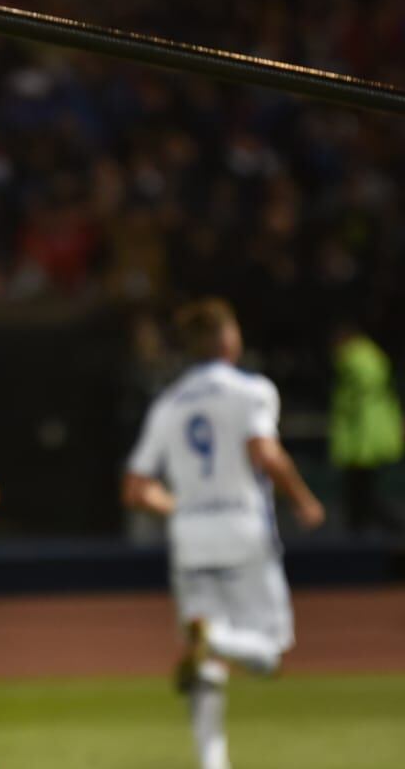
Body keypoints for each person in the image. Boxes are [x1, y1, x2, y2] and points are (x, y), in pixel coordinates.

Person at [121, 298, 325, 769]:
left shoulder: (168, 402)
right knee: (270, 653)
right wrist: (303, 499)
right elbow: (265, 453)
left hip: (190, 537)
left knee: (207, 673)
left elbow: (135, 489)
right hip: (242, 530)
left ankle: (213, 763)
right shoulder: (252, 391)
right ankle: (215, 638)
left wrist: (180, 507)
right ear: (228, 340)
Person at [329, 323, 405, 534]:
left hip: (364, 440)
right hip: (366, 438)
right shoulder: (369, 357)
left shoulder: (357, 359)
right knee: (358, 494)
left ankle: (396, 529)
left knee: (361, 493)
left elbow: (359, 394)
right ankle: (362, 533)